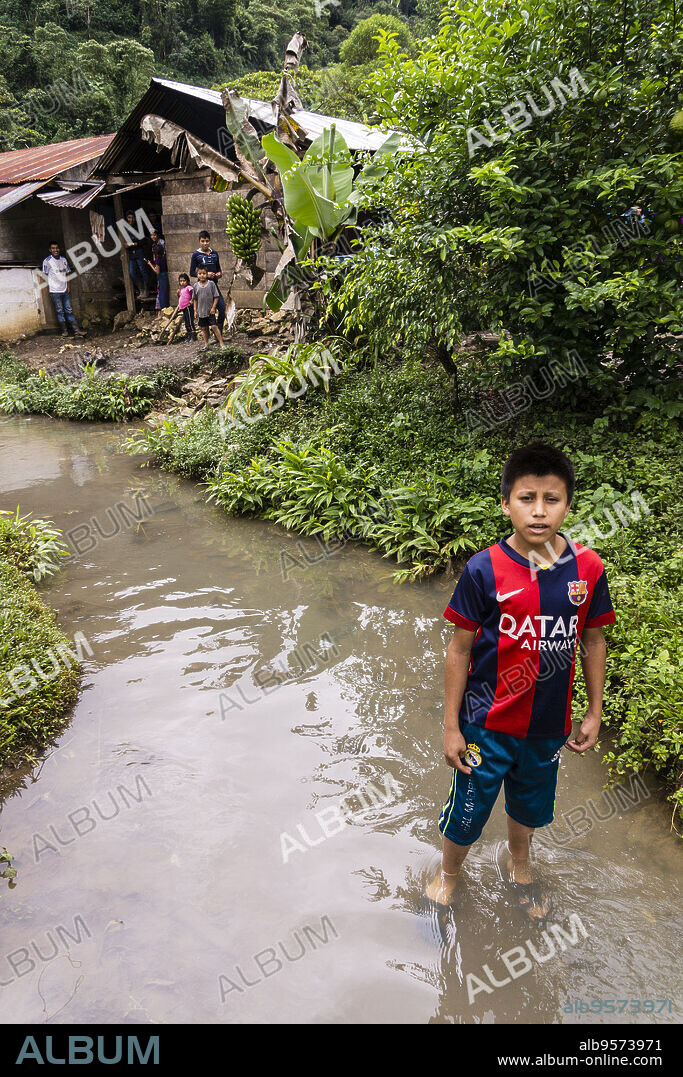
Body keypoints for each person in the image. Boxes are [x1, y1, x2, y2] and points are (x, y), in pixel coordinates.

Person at [425, 443, 616, 919]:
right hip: (484, 724)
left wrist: (594, 712)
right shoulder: (483, 569)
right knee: (467, 808)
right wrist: (451, 726)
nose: (539, 511)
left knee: (529, 807)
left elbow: (593, 642)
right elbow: (459, 649)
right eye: (527, 498)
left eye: (552, 499)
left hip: (547, 726)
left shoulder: (588, 569)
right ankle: (449, 874)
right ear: (506, 503)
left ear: (568, 505)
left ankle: (520, 865)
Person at [41, 242, 86, 337]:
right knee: (59, 311)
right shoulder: (47, 261)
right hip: (55, 291)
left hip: (65, 290)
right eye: (53, 248)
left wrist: (68, 287)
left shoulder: (63, 260)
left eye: (57, 248)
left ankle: (77, 330)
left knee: (69, 310)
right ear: (50, 250)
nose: (55, 250)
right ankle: (64, 331)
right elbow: (45, 275)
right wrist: (52, 286)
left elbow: (67, 274)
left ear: (59, 249)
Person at [189, 231, 226, 332]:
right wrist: (206, 275)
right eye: (203, 241)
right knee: (204, 312)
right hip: (202, 287)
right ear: (199, 241)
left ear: (209, 241)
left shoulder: (214, 254)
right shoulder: (196, 255)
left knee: (222, 308)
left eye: (207, 241)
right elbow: (192, 272)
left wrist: (219, 274)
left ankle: (218, 333)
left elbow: (218, 269)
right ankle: (208, 337)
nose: (205, 243)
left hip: (214, 286)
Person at [193, 265, 224, 349]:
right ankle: (206, 344)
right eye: (200, 273)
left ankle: (221, 343)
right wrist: (195, 311)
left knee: (214, 326)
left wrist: (213, 308)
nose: (202, 275)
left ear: (207, 274)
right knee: (204, 328)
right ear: (197, 275)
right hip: (201, 311)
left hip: (210, 310)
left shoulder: (211, 284)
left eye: (204, 273)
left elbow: (216, 296)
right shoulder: (196, 286)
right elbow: (195, 299)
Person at [123, 211, 152, 299]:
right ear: (126, 218)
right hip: (131, 254)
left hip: (140, 252)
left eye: (132, 218)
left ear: (135, 218)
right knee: (132, 273)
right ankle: (141, 289)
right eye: (129, 217)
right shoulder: (125, 228)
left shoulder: (139, 227)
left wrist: (132, 244)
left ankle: (146, 290)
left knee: (143, 271)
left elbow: (143, 241)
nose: (131, 220)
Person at [146, 230, 169, 318]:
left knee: (162, 295)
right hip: (164, 276)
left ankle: (163, 312)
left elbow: (157, 271)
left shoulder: (158, 260)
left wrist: (150, 265)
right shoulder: (163, 258)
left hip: (161, 277)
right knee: (164, 294)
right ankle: (165, 312)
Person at [176, 273, 197, 341]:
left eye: (184, 281)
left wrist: (192, 300)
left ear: (187, 281)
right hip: (184, 308)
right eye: (181, 281)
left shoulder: (189, 287)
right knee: (186, 322)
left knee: (190, 321)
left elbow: (194, 292)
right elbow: (181, 297)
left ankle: (193, 335)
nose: (182, 282)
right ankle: (189, 335)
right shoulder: (182, 289)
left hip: (188, 307)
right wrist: (178, 294)